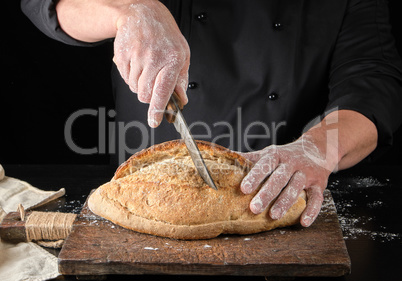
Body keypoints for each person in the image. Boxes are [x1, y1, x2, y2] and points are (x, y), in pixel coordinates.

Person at [21, 0, 402, 227]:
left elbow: (373, 85)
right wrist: (129, 9)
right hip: (148, 189)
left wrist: (318, 148)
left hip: (283, 188)